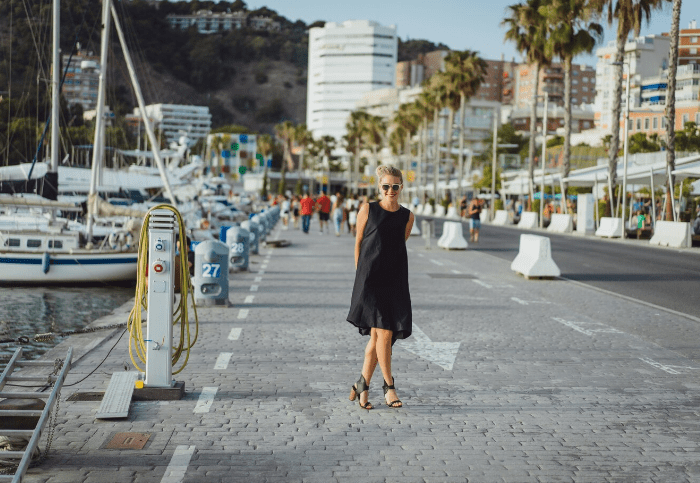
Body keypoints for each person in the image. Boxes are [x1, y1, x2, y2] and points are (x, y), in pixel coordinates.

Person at [347, 165, 415, 410]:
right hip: (370, 281)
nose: (390, 191)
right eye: (386, 186)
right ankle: (389, 387)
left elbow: (398, 245)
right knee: (384, 333)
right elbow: (358, 243)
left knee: (377, 338)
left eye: (395, 186)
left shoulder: (408, 216)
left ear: (401, 188)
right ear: (380, 187)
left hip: (395, 281)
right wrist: (360, 276)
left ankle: (361, 386)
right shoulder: (368, 209)